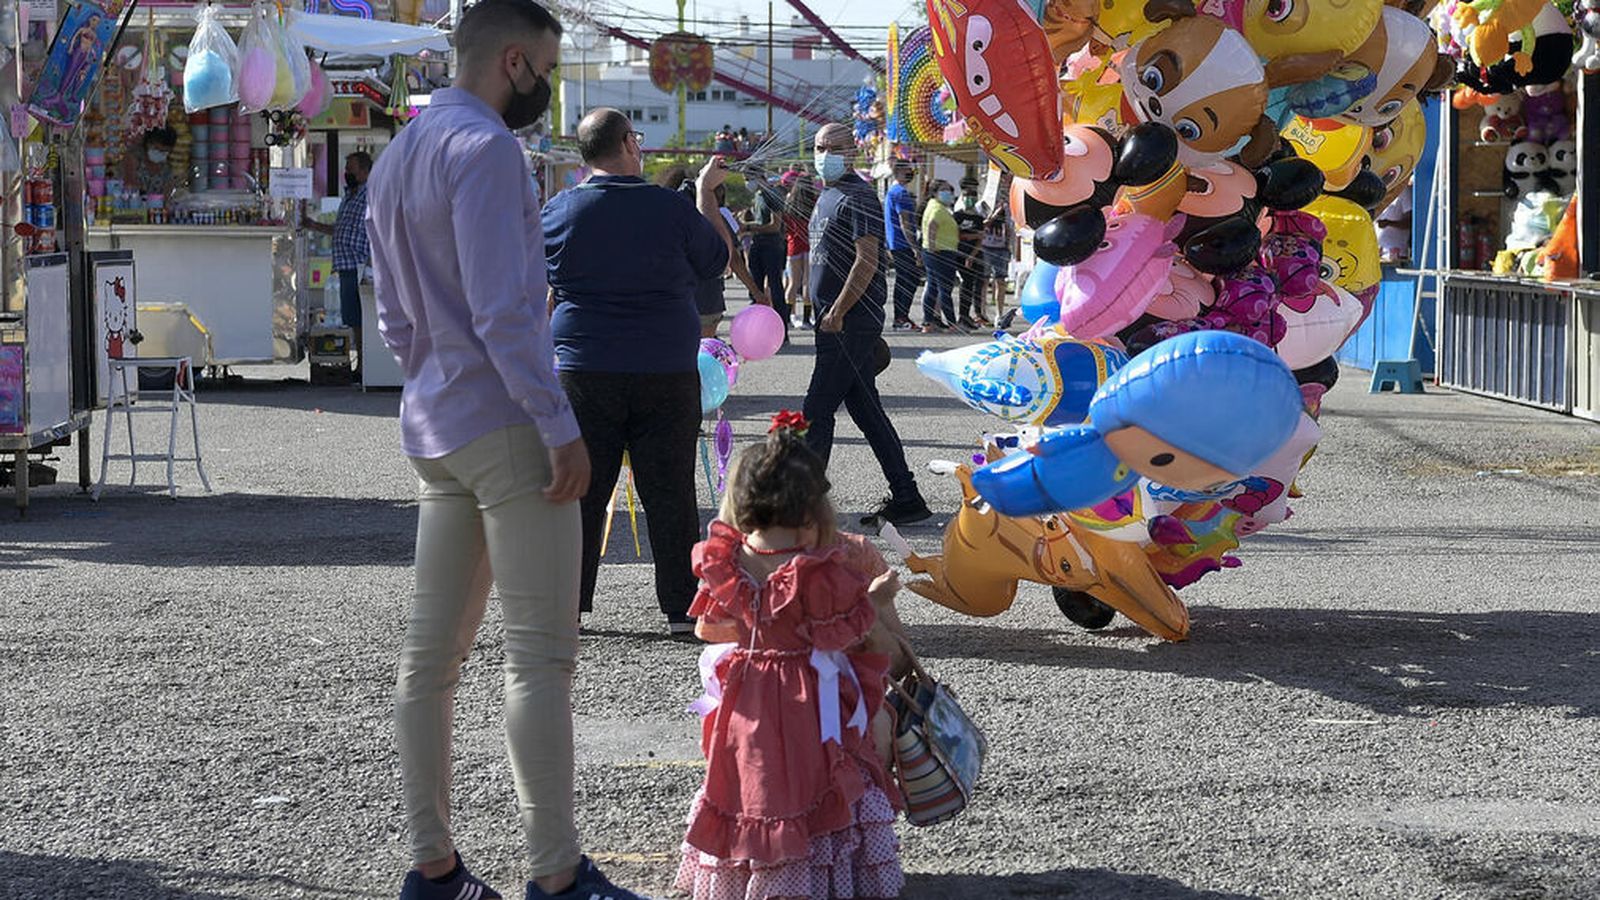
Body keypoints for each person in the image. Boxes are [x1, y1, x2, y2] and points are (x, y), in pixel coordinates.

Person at [364, 2, 647, 899]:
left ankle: (433, 866)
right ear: (515, 62)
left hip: (437, 422)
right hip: (507, 423)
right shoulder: (488, 152)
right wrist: (556, 425)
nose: (549, 89)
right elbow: (505, 313)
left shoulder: (399, 153)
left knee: (430, 659)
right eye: (549, 70)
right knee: (538, 656)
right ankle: (556, 874)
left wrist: (433, 380)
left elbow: (395, 318)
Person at [674, 417, 906, 899]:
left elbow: (711, 628)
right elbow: (849, 634)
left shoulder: (726, 561)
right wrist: (877, 600)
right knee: (814, 777)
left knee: (751, 777)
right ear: (812, 508)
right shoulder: (823, 570)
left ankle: (746, 872)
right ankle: (812, 875)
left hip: (747, 694)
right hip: (808, 694)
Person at [543, 108, 730, 635]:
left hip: (585, 365)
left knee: (582, 489)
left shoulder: (559, 210)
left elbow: (539, 279)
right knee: (670, 491)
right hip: (665, 365)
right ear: (629, 143)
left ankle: (567, 606)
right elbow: (715, 258)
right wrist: (707, 197)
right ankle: (680, 609)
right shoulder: (669, 209)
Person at [803, 122, 932, 525]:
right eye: (820, 147)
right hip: (833, 322)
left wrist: (839, 309)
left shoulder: (858, 196)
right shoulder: (828, 195)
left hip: (848, 322)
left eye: (833, 148)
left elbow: (867, 259)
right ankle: (907, 497)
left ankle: (803, 506)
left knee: (816, 409)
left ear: (853, 152)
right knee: (865, 409)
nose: (825, 155)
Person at [657, 167, 768, 338]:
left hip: (674, 299)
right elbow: (734, 260)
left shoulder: (667, 216)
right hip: (708, 300)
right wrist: (756, 291)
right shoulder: (716, 219)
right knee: (703, 350)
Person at [302, 151, 372, 368]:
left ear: (364, 171)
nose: (346, 173)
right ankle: (362, 364)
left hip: (359, 264)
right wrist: (313, 225)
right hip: (345, 264)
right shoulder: (350, 196)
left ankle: (364, 364)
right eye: (346, 168)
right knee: (353, 318)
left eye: (350, 168)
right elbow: (341, 230)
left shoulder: (370, 195)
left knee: (361, 318)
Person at [744, 166, 790, 327]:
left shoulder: (772, 195)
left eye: (748, 178)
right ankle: (757, 326)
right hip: (757, 244)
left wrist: (748, 227)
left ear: (758, 177)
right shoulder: (758, 195)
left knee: (775, 287)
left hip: (771, 246)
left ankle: (781, 327)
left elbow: (775, 226)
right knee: (755, 288)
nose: (747, 183)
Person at [884, 159, 922, 331]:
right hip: (903, 244)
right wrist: (915, 247)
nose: (911, 173)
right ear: (899, 171)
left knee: (905, 280)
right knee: (908, 281)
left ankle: (901, 317)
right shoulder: (900, 194)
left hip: (895, 243)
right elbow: (904, 221)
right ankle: (901, 317)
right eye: (908, 170)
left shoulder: (893, 191)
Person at [920, 179, 960, 333]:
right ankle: (952, 323)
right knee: (945, 289)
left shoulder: (935, 206)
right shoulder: (937, 209)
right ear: (935, 192)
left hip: (936, 252)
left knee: (933, 287)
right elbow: (932, 226)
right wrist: (932, 247)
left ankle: (928, 321)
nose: (948, 193)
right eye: (944, 190)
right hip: (940, 252)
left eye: (949, 190)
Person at [952, 177, 989, 328]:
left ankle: (971, 314)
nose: (970, 199)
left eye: (973, 196)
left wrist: (972, 255)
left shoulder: (978, 217)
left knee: (973, 285)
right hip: (959, 254)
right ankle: (960, 315)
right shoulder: (957, 215)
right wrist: (973, 236)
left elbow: (982, 238)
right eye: (968, 196)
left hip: (974, 256)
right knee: (963, 284)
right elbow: (957, 235)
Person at [784, 171, 817, 328]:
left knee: (792, 283)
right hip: (810, 245)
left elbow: (785, 226)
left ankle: (788, 317)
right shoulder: (814, 202)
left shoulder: (789, 202)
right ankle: (806, 318)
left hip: (793, 245)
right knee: (807, 283)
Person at [981, 192, 1013, 323]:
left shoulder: (1006, 208)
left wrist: (1010, 246)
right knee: (984, 280)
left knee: (1001, 281)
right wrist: (994, 214)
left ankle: (999, 313)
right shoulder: (982, 206)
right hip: (986, 247)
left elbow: (1010, 227)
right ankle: (982, 311)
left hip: (1001, 248)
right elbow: (982, 224)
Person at [123, 126, 177, 197]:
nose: (159, 153)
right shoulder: (134, 158)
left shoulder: (167, 169)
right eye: (156, 148)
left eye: (164, 151)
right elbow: (129, 184)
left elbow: (167, 195)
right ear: (148, 143)